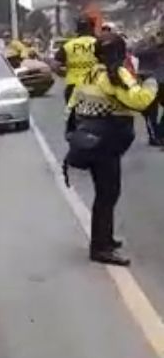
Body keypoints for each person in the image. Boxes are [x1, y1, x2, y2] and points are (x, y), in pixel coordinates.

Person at [66, 35, 157, 266]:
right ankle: (101, 248)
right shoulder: (115, 73)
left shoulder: (89, 73)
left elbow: (73, 104)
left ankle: (104, 239)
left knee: (104, 192)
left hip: (90, 138)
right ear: (120, 53)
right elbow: (139, 101)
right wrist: (151, 84)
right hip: (107, 141)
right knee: (108, 193)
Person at [56, 17, 98, 104]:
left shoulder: (68, 45)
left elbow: (56, 65)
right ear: (92, 28)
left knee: (71, 114)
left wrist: (62, 72)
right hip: (96, 86)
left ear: (77, 30)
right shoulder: (99, 43)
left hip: (73, 86)